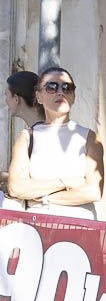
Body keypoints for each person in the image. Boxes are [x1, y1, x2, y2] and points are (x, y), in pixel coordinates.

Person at [5, 66, 104, 219]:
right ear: (39, 97)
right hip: (37, 226)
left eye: (67, 87)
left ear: (73, 96)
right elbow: (16, 187)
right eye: (51, 87)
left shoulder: (90, 138)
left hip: (81, 225)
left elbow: (93, 192)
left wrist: (42, 197)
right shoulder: (26, 137)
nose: (60, 92)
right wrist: (65, 182)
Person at [1, 71, 42, 206]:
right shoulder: (38, 130)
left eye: (6, 95)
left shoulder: (29, 136)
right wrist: (6, 176)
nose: (6, 101)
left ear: (16, 99)